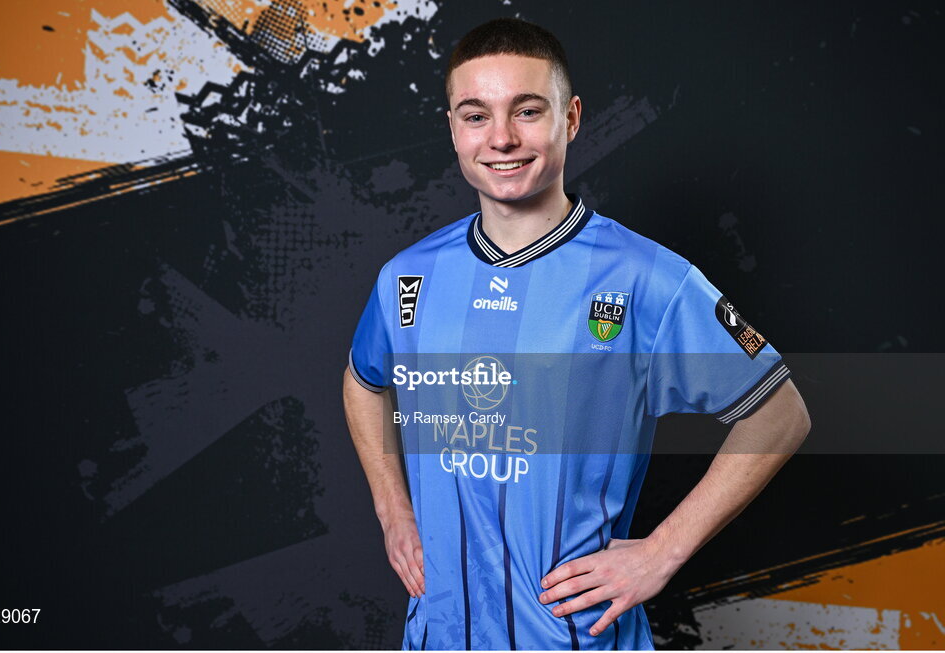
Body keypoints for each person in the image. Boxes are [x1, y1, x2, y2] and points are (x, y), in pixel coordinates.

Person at [342, 17, 810, 650]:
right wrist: (393, 511)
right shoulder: (408, 277)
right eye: (476, 115)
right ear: (452, 126)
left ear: (572, 118)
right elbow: (364, 381)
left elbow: (779, 415)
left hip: (575, 638)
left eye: (527, 111)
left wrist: (661, 552)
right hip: (440, 634)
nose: (502, 138)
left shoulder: (648, 279)